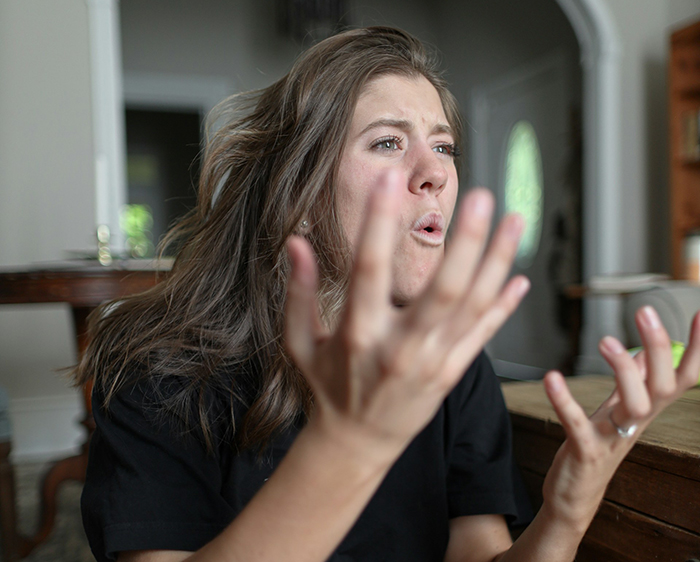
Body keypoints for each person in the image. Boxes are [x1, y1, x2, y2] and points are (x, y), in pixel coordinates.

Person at [75, 26, 700, 562]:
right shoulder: (159, 368)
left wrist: (566, 509)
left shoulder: (455, 370)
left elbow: (475, 550)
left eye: (444, 146)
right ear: (299, 191)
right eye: (387, 141)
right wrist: (351, 446)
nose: (435, 172)